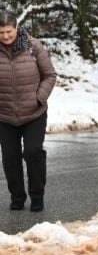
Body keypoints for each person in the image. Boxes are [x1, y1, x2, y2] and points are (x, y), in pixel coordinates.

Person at [0, 11, 57, 212]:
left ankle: (37, 195)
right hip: (5, 115)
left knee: (33, 152)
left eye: (8, 31)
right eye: (1, 33)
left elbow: (50, 75)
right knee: (10, 157)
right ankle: (17, 196)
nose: (5, 36)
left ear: (16, 27)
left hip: (34, 112)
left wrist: (38, 98)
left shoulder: (34, 47)